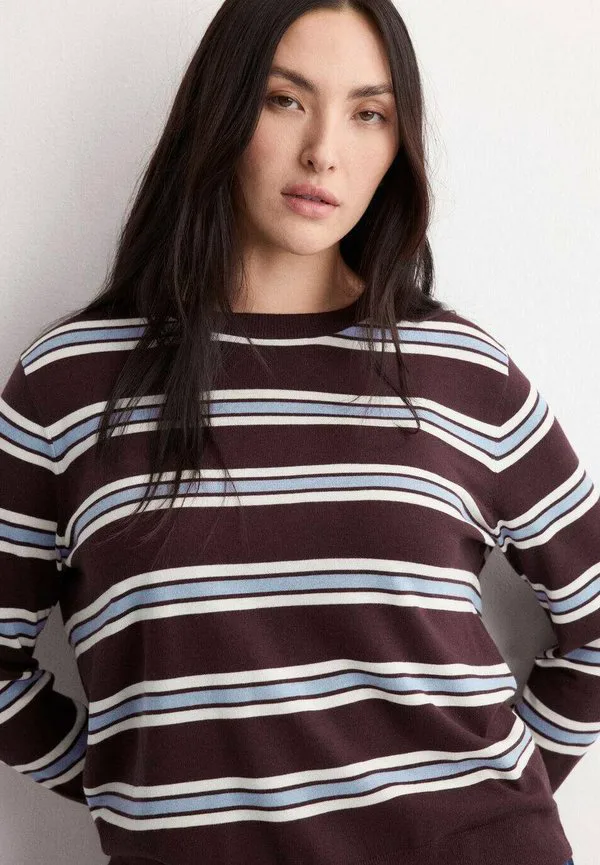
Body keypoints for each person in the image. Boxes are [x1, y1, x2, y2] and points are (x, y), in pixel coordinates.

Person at [0, 1, 593, 864]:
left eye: (368, 113)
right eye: (285, 99)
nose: (324, 150)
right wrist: (128, 783)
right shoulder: (70, 383)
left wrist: (495, 806)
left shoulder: (460, 370)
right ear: (221, 108)